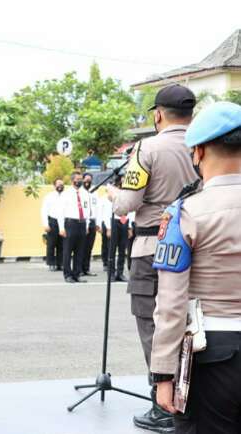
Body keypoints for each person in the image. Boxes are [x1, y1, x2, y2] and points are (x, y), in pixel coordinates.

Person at [107, 84, 198, 432]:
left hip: (152, 248)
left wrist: (114, 193)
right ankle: (191, 399)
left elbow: (127, 204)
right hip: (196, 245)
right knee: (191, 324)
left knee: (153, 324)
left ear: (158, 114)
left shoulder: (147, 148)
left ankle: (163, 404)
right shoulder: (205, 145)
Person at [151, 101, 241, 433]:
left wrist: (163, 374)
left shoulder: (184, 214)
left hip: (211, 356)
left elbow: (171, 305)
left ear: (199, 151)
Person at [58, 171, 90, 283]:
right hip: (70, 224)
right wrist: (61, 227)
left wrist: (87, 223)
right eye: (78, 179)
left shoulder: (85, 193)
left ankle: (77, 274)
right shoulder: (65, 194)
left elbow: (87, 209)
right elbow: (60, 212)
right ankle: (68, 275)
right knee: (67, 250)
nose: (80, 181)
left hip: (82, 223)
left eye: (81, 179)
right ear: (72, 181)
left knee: (80, 251)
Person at [98, 190, 134, 282]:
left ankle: (120, 273)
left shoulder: (124, 195)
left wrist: (128, 227)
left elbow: (126, 212)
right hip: (112, 221)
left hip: (122, 220)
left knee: (122, 250)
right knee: (112, 250)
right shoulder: (108, 198)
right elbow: (106, 213)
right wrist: (109, 228)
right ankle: (111, 274)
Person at [40, 178, 64, 272]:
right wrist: (46, 224)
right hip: (52, 222)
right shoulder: (49, 196)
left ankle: (60, 263)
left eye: (62, 184)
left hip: (63, 222)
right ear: (54, 186)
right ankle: (51, 263)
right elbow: (44, 211)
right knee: (51, 244)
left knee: (62, 244)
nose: (60, 186)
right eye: (58, 184)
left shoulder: (66, 196)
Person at [81, 173, 98, 277]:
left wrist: (98, 223)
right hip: (83, 222)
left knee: (89, 247)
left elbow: (97, 207)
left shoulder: (94, 192)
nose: (88, 181)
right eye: (86, 179)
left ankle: (86, 269)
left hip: (92, 221)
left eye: (89, 180)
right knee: (81, 247)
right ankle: (79, 269)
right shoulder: (80, 192)